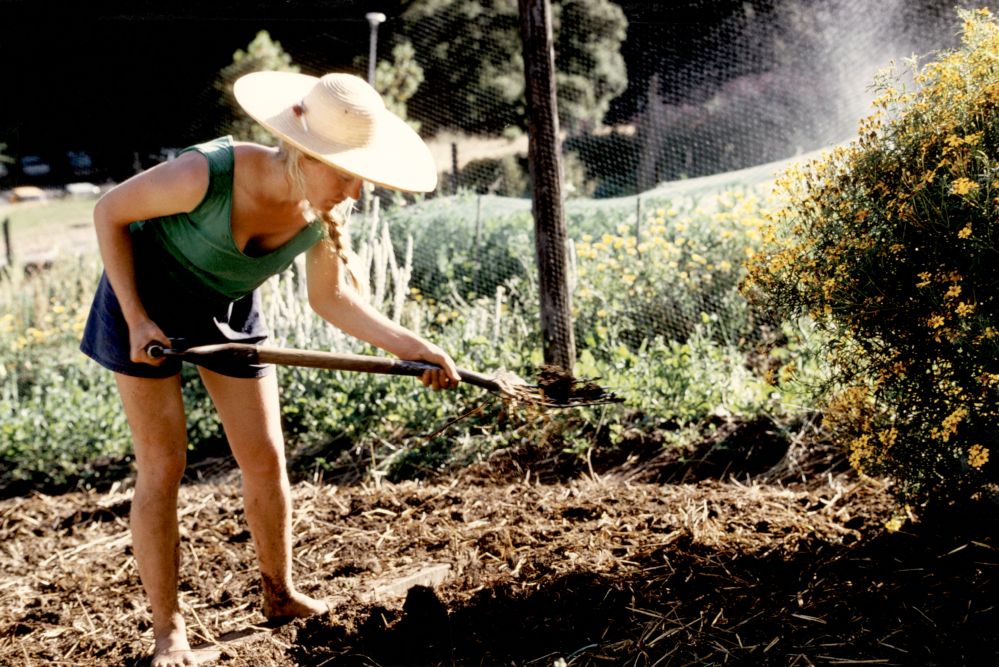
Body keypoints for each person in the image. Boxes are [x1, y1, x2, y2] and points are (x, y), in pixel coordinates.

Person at [80, 71, 460, 667]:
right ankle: (168, 633)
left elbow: (330, 298)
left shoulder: (321, 209)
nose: (356, 191)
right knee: (164, 463)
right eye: (346, 172)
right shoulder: (209, 173)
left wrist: (409, 345)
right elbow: (109, 212)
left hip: (226, 310)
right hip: (143, 308)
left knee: (264, 457)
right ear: (305, 154)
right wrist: (135, 317)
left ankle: (279, 595)